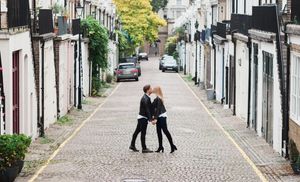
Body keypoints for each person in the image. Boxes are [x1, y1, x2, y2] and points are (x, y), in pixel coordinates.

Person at [152, 86, 177, 153]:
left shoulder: (159, 99)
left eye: (153, 89)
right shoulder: (157, 98)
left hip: (162, 117)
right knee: (158, 132)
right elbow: (153, 108)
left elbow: (158, 110)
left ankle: (172, 146)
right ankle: (160, 146)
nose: (152, 89)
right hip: (159, 117)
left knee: (165, 131)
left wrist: (155, 119)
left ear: (156, 90)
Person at [129, 84, 154, 153]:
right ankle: (144, 148)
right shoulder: (145, 98)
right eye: (151, 88)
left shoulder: (147, 97)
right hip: (143, 118)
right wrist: (150, 120)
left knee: (137, 132)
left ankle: (132, 145)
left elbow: (149, 109)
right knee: (143, 133)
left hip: (141, 117)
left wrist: (152, 116)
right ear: (148, 90)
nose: (152, 89)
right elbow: (147, 110)